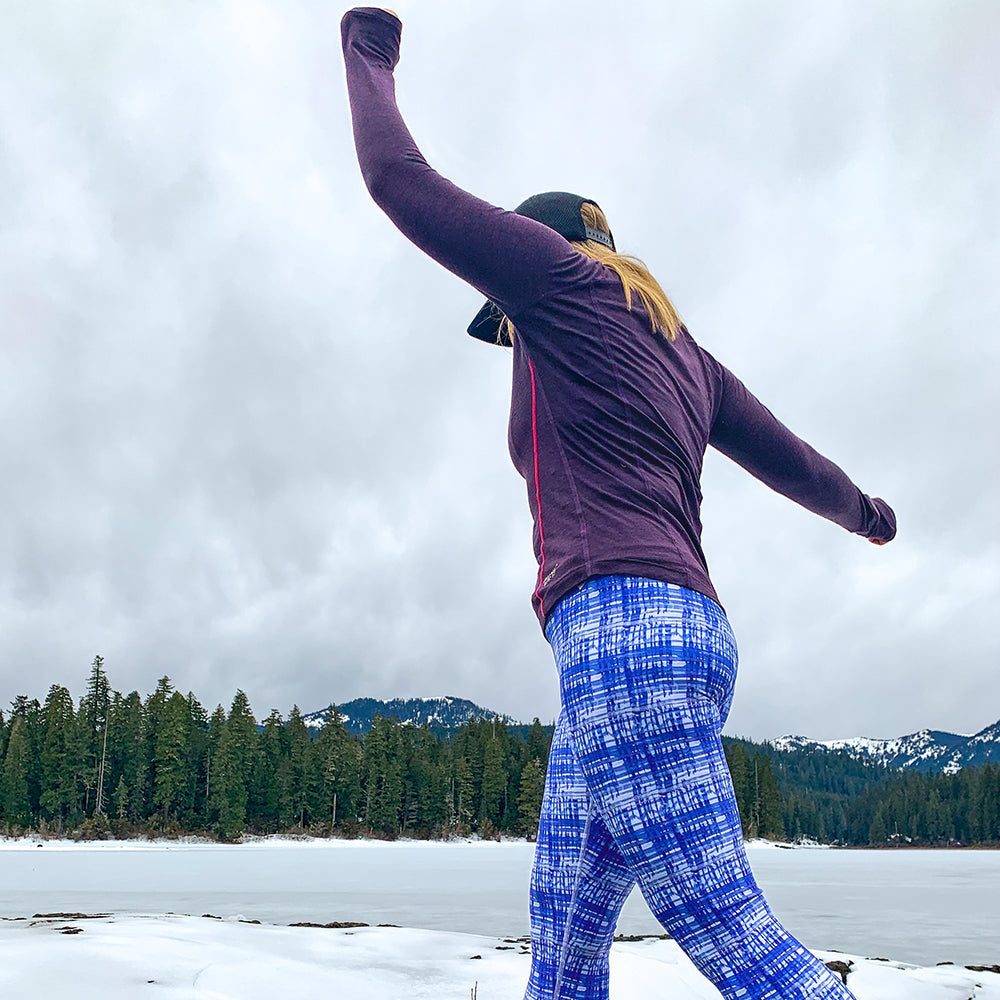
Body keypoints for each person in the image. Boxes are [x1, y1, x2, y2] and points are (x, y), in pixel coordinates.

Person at [341, 9, 896, 1000]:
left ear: (538, 253)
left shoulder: (557, 284)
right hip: (683, 633)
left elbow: (398, 183)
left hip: (619, 633)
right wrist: (865, 515)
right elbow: (797, 465)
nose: (511, 341)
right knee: (562, 929)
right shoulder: (689, 356)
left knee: (733, 931)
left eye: (505, 322)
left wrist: (367, 56)